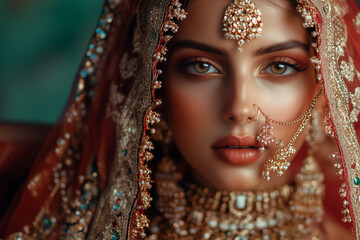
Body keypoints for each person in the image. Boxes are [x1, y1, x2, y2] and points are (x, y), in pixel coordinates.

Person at [0, 0, 359, 239]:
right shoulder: (63, 216)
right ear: (152, 83)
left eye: (279, 66)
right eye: (201, 66)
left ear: (324, 83)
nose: (239, 107)